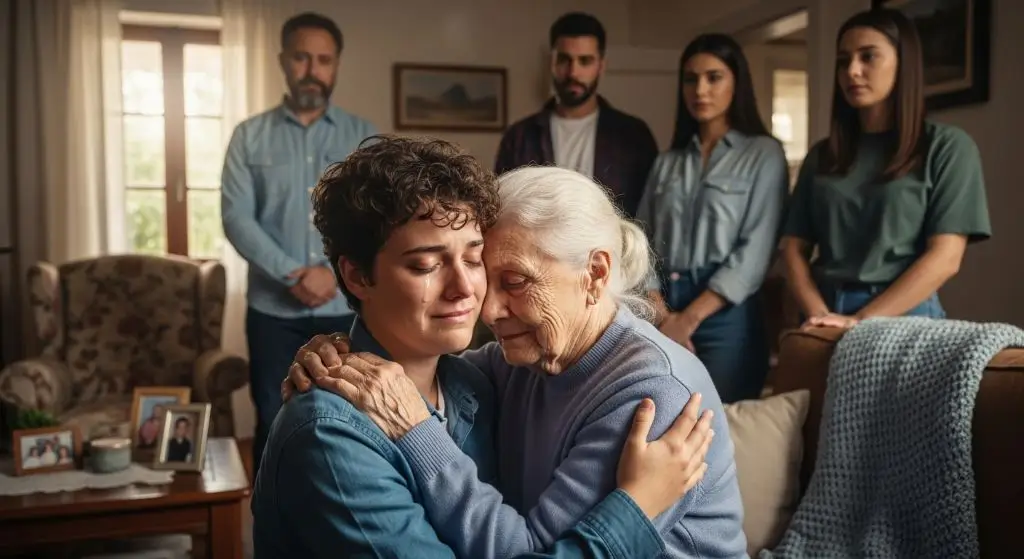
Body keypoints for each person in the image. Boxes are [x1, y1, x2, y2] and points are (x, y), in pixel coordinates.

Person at [253, 136, 714, 559]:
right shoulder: (330, 437)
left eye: (474, 260)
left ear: (594, 274)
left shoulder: (474, 382)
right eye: (426, 265)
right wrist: (634, 510)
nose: (473, 296)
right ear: (357, 276)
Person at [220, 11, 377, 475]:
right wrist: (293, 273)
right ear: (283, 61)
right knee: (273, 419)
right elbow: (236, 218)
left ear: (336, 66)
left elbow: (374, 218)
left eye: (323, 60)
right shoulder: (248, 137)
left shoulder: (362, 136)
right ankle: (273, 524)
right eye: (302, 57)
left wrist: (332, 275)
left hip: (347, 307)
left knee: (349, 419)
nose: (312, 69)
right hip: (273, 313)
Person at [780, 8, 991, 328]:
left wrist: (860, 320)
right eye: (843, 60)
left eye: (868, 57)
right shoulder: (823, 155)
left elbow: (946, 258)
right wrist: (819, 315)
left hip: (906, 316)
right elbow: (793, 250)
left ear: (903, 64)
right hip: (823, 311)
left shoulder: (947, 147)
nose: (852, 70)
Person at [637, 33, 788, 403]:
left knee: (722, 420)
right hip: (663, 303)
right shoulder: (668, 161)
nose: (700, 89)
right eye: (691, 79)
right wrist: (660, 311)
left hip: (726, 313)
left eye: (714, 77)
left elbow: (756, 250)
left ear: (737, 82)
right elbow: (638, 238)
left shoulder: (764, 154)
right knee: (664, 414)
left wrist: (688, 319)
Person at [494, 12, 658, 218]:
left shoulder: (633, 137)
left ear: (601, 66)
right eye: (565, 60)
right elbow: (501, 209)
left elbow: (649, 216)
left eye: (585, 61)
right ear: (552, 63)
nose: (573, 73)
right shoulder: (520, 138)